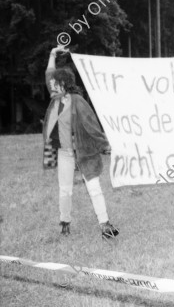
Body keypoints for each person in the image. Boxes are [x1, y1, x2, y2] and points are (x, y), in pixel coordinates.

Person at [42, 45, 119, 239]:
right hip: (64, 153)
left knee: (94, 188)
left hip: (84, 151)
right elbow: (49, 73)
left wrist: (104, 146)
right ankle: (65, 223)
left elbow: (92, 126)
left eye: (56, 83)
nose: (53, 84)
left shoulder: (77, 101)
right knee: (65, 190)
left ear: (64, 84)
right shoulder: (55, 100)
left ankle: (105, 225)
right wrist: (53, 53)